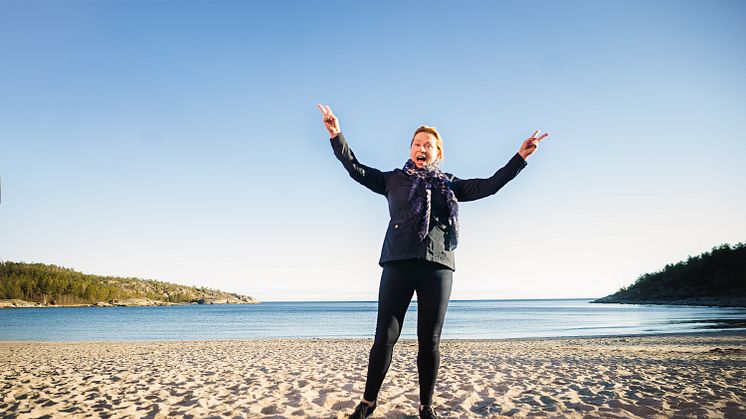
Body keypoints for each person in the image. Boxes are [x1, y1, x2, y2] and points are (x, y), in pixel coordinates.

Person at [317, 103, 549, 419]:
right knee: (384, 336)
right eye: (417, 144)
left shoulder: (449, 184)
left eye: (428, 144)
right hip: (398, 262)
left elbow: (489, 185)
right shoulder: (392, 180)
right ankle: (368, 403)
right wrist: (336, 135)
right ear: (410, 149)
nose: (421, 148)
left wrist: (520, 157)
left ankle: (427, 407)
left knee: (429, 340)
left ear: (438, 153)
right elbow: (356, 168)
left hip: (437, 266)